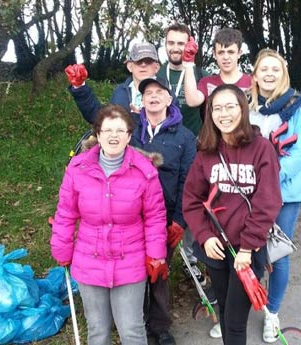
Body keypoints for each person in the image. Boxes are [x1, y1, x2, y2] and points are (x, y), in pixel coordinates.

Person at [50, 104, 168, 345]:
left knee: (132, 330)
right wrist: (61, 248)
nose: (114, 136)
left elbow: (155, 217)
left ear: (129, 135)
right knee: (97, 331)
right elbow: (65, 212)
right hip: (88, 261)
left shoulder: (145, 171)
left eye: (120, 130)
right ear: (98, 134)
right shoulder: (77, 169)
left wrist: (156, 254)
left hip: (130, 262)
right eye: (108, 130)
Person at [182, 84, 282, 345]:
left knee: (236, 321)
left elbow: (267, 202)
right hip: (216, 248)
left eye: (230, 107)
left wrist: (248, 247)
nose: (223, 114)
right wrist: (204, 236)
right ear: (209, 114)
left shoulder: (261, 149)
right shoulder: (206, 152)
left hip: (248, 251)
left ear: (242, 109)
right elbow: (191, 200)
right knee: (224, 312)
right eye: (217, 108)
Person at [249, 48, 301, 343]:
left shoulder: (297, 108)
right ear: (256, 74)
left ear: (282, 74)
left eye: (275, 69)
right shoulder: (247, 108)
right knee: (248, 253)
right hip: (247, 194)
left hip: (285, 194)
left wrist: (265, 179)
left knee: (278, 255)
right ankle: (237, 311)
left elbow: (297, 156)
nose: (269, 74)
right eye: (264, 69)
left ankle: (271, 314)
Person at [131, 76, 197, 345]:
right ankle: (134, 323)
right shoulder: (130, 130)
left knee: (159, 272)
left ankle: (160, 326)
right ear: (142, 100)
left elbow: (189, 181)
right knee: (133, 273)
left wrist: (180, 221)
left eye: (159, 92)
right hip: (130, 218)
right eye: (148, 93)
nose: (154, 96)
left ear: (170, 100)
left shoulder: (184, 136)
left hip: (165, 219)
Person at [157, 22, 208, 287]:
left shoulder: (199, 72)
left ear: (190, 45)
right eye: (171, 43)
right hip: (164, 149)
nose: (176, 48)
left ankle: (191, 258)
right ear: (165, 44)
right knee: (165, 202)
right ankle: (160, 255)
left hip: (194, 147)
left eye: (181, 43)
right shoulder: (157, 73)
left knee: (192, 203)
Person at [64, 42, 161, 123]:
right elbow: (100, 118)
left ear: (156, 67)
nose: (143, 65)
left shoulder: (167, 92)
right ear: (130, 66)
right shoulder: (120, 92)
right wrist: (80, 87)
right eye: (138, 61)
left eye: (148, 61)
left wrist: (143, 119)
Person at [182, 28, 251, 112]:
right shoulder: (207, 82)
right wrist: (188, 63)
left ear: (239, 53)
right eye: (221, 52)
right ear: (214, 54)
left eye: (231, 52)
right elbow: (192, 101)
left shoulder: (252, 83)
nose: (226, 57)